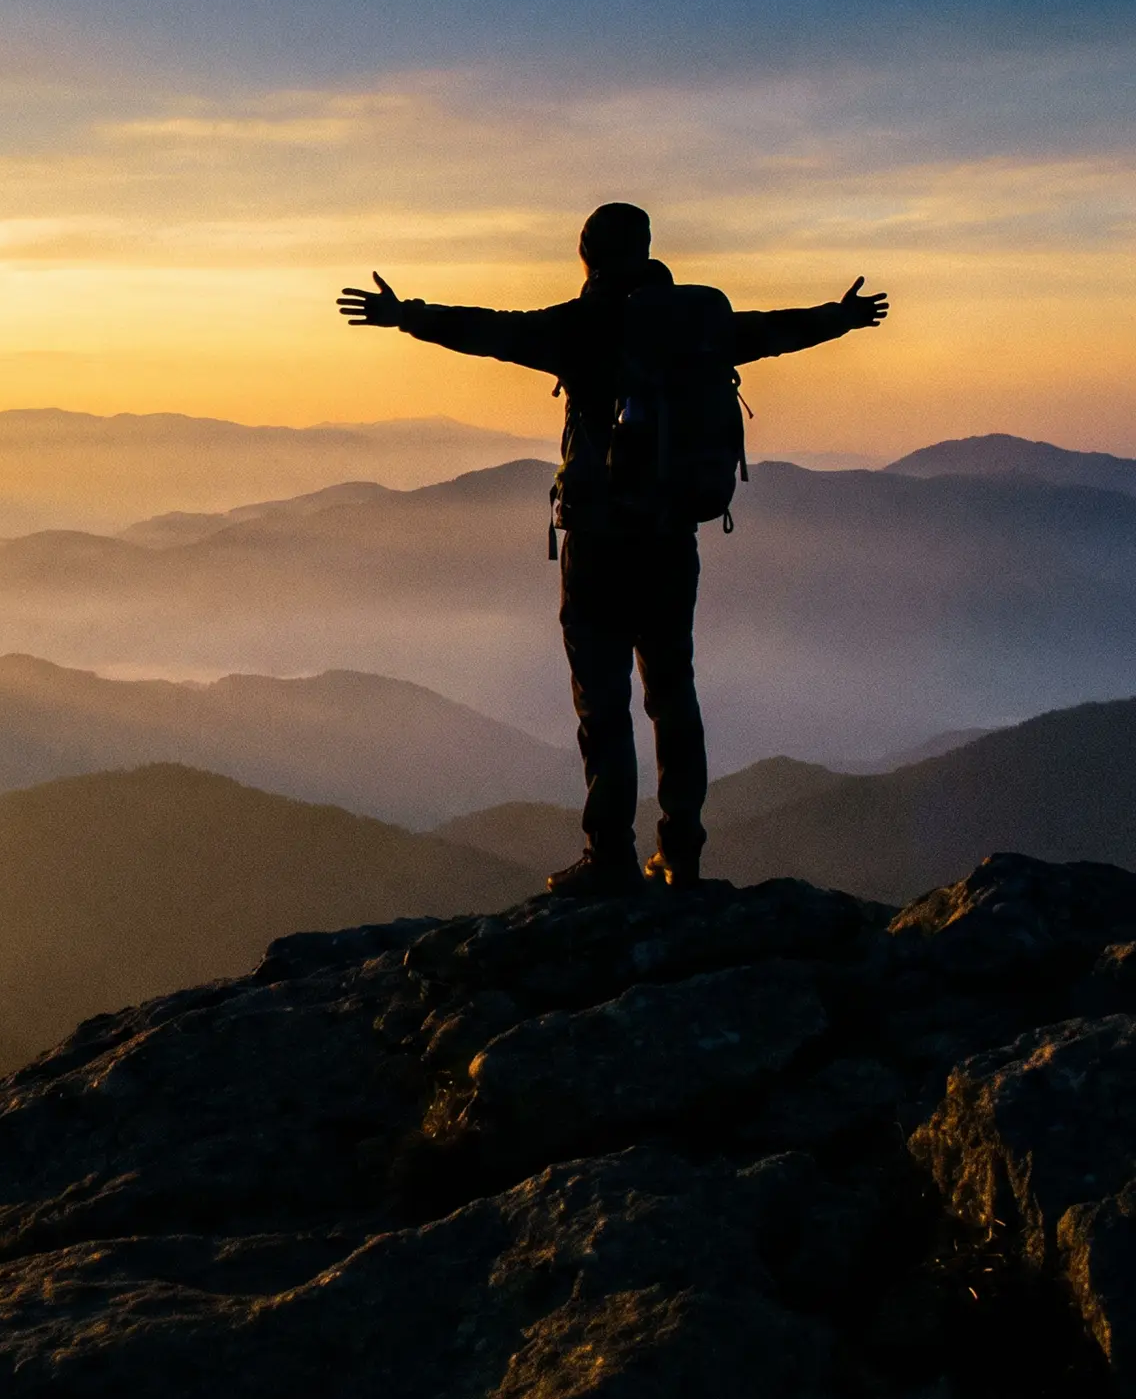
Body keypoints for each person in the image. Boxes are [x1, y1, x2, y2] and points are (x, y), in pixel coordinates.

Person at [338, 202, 886, 897]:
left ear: (586, 253)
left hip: (598, 542)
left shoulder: (580, 327)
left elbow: (485, 331)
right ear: (648, 249)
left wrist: (403, 314)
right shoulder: (699, 328)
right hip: (670, 539)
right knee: (673, 696)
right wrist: (840, 317)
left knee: (603, 705)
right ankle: (681, 856)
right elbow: (772, 333)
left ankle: (610, 859)